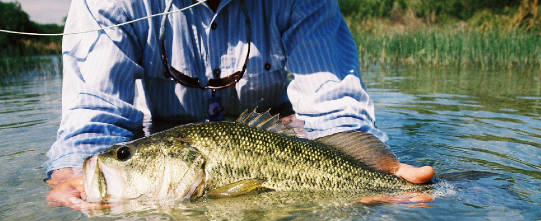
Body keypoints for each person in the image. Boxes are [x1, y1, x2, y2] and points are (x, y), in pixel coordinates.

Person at [45, 0, 434, 210]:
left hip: (277, 144)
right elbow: (92, 119)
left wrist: (376, 171)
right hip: (172, 143)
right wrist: (71, 175)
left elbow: (332, 110)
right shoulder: (108, 3)